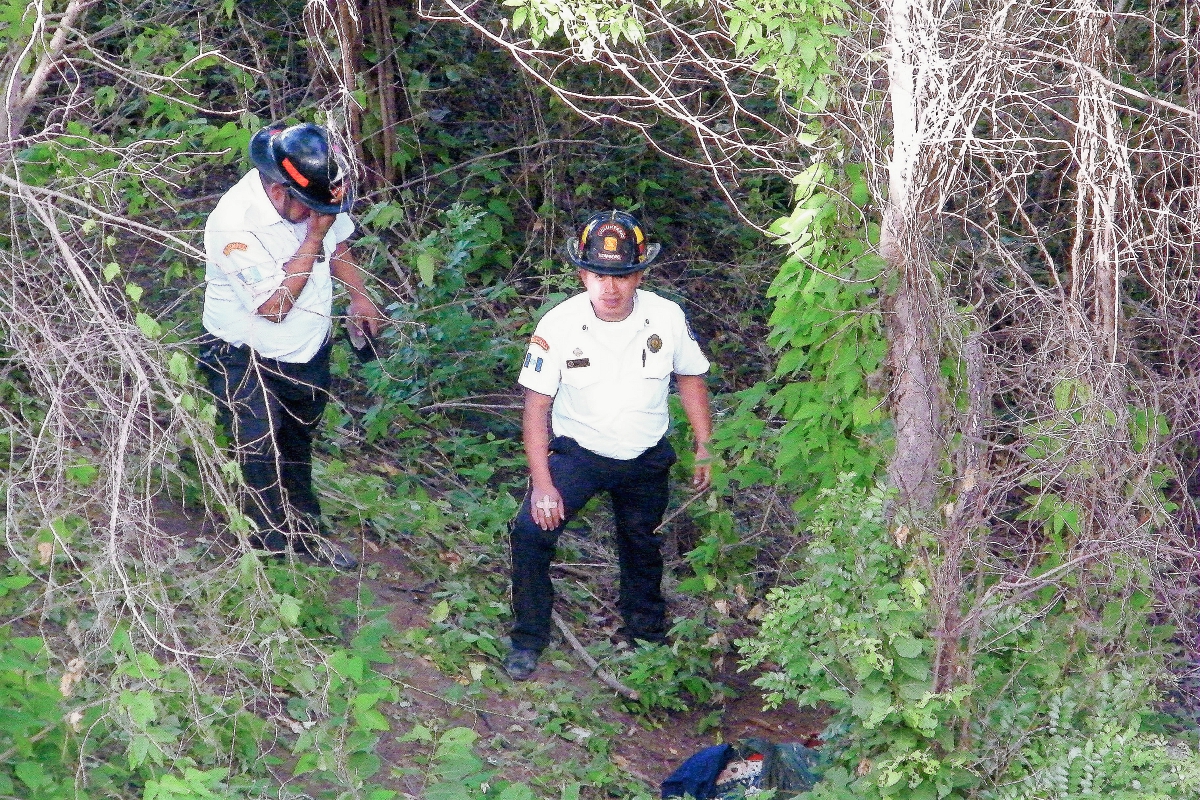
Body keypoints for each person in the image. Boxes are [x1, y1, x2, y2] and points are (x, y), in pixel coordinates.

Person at [504, 210, 713, 680]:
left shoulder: (666, 317)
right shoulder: (558, 325)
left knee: (643, 544)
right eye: (599, 274)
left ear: (639, 274)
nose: (610, 287)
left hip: (645, 455)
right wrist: (543, 484)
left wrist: (705, 444)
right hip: (579, 453)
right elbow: (536, 408)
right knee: (530, 534)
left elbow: (691, 375)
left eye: (621, 275)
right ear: (582, 274)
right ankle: (528, 637)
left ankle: (647, 639)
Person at [197, 122, 382, 570]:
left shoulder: (316, 203)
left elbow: (338, 246)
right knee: (257, 448)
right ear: (280, 191)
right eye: (310, 209)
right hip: (244, 355)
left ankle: (305, 531)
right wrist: (314, 237)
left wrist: (359, 295)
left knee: (297, 445)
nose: (318, 218)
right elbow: (274, 307)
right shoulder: (233, 223)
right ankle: (269, 550)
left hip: (307, 349)